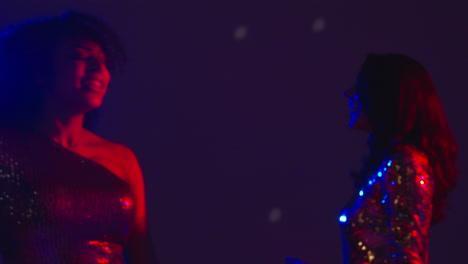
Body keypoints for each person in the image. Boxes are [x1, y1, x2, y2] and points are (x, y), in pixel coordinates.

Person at [0, 11, 157, 263]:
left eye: (103, 61)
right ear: (38, 71)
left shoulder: (120, 158)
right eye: (81, 56)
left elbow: (142, 253)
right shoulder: (7, 151)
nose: (99, 69)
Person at [340, 54, 457, 264]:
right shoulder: (394, 165)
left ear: (385, 96)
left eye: (360, 86)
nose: (348, 94)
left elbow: (407, 257)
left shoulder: (406, 165)